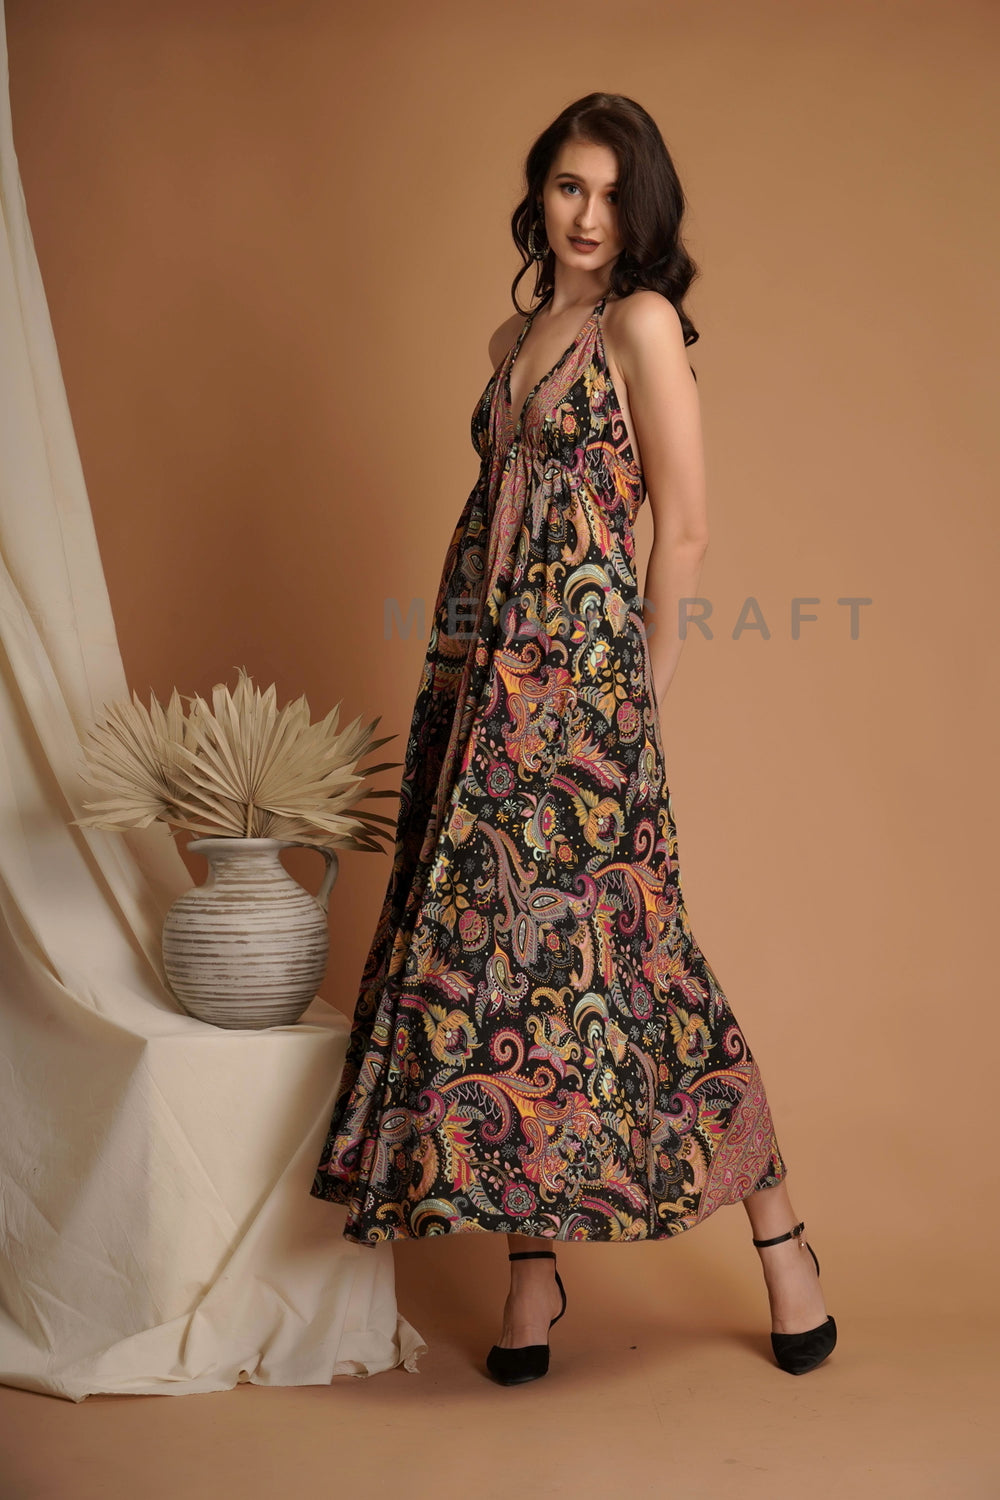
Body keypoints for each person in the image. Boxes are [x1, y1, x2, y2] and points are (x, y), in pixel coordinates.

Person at [310, 92, 836, 1385]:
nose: (588, 215)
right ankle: (531, 1274)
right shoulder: (511, 336)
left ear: (640, 208)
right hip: (478, 678)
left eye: (609, 193)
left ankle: (784, 1242)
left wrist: (639, 690)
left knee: (640, 964)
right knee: (500, 974)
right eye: (567, 187)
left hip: (585, 699)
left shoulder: (639, 324)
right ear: (538, 194)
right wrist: (464, 677)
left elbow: (683, 524)